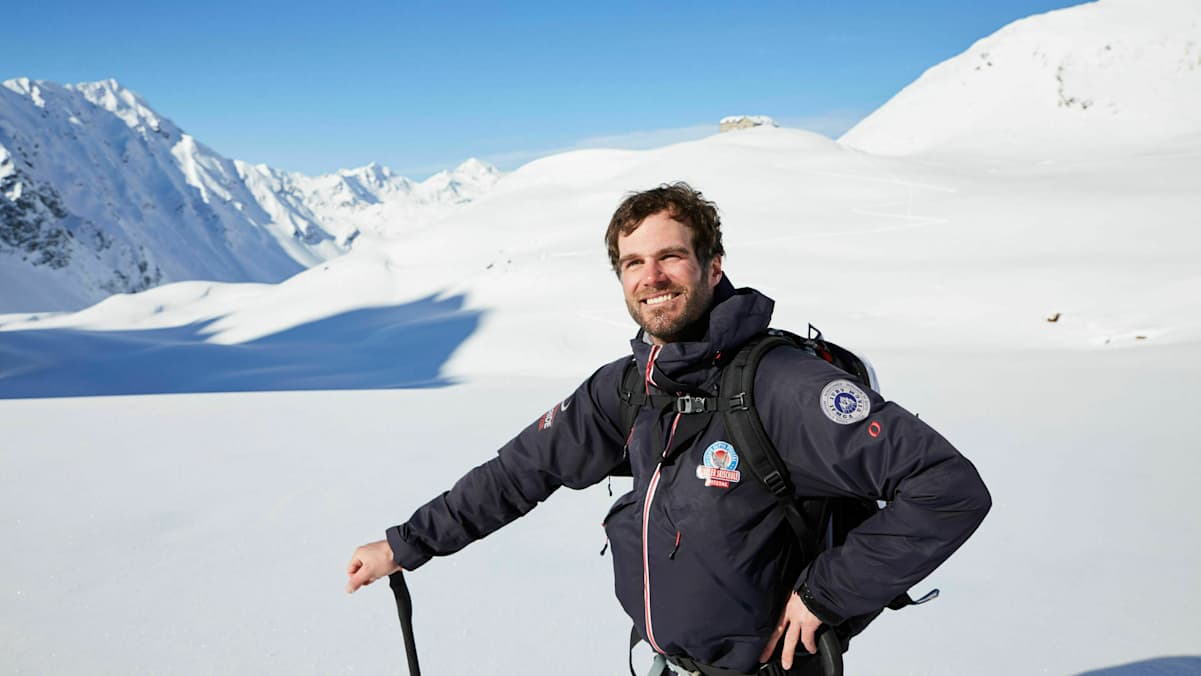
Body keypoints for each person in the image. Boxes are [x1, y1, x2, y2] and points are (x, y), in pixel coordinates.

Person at [346, 182, 991, 675]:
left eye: (670, 257)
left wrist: (825, 596)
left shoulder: (782, 386)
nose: (650, 277)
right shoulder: (629, 386)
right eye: (632, 263)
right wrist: (406, 544)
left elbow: (947, 487)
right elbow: (523, 469)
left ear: (712, 266)